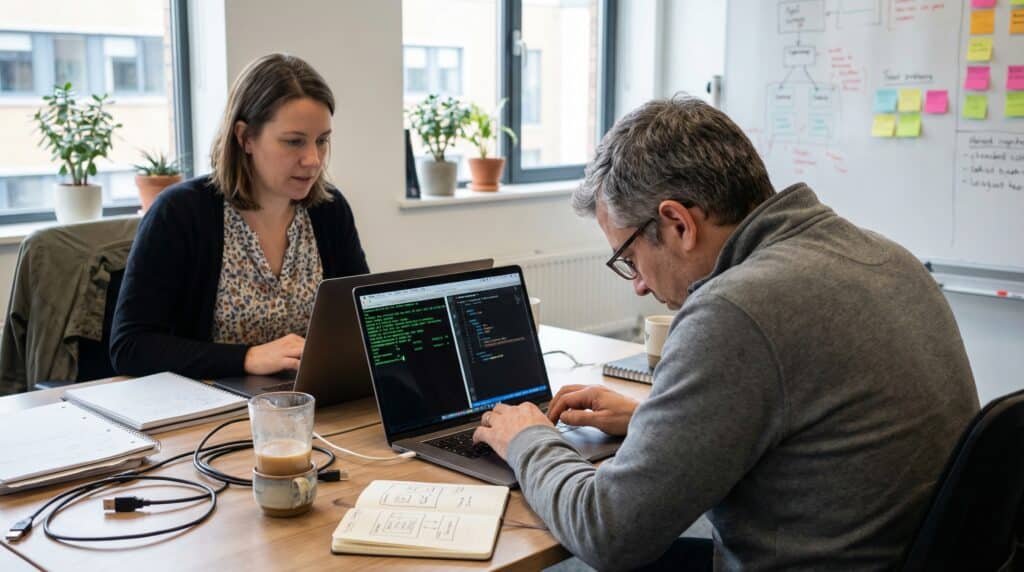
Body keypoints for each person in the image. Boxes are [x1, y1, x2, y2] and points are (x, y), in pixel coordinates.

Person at [472, 96, 980, 570]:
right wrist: (653, 421)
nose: (639, 285)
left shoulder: (736, 309)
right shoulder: (885, 255)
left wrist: (528, 439)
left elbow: (609, 533)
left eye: (629, 258)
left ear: (678, 224)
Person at [110, 54, 369, 380]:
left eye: (322, 141)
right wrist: (247, 358)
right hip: (210, 402)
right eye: (294, 142)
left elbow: (361, 321)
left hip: (308, 398)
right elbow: (130, 347)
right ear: (245, 137)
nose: (313, 160)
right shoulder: (180, 213)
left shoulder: (328, 210)